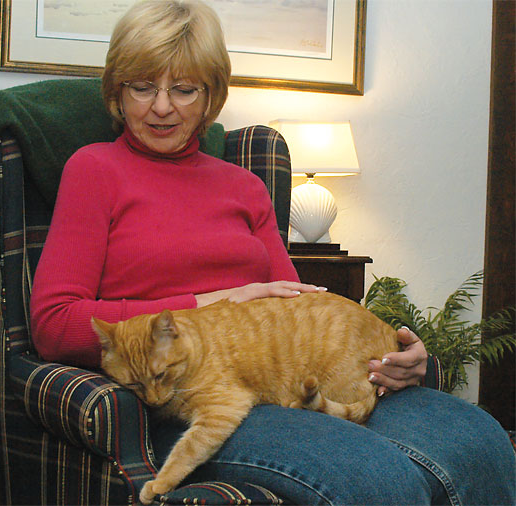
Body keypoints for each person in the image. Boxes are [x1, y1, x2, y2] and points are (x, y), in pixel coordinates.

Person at [30, 1, 515, 504]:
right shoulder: (95, 170)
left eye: (184, 89)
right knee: (375, 474)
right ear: (116, 91)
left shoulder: (244, 186)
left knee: (481, 443)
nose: (161, 107)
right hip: (190, 401)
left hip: (282, 385)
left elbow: (297, 312)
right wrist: (220, 300)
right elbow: (54, 323)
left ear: (211, 94)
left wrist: (396, 358)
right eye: (142, 87)